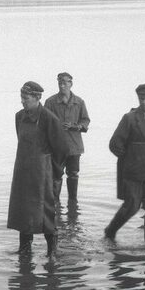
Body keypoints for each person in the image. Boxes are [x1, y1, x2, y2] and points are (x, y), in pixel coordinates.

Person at [8, 81, 68, 258]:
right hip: (22, 171)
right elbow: (21, 139)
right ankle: (25, 249)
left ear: (37, 98)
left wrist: (55, 173)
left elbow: (62, 149)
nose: (22, 101)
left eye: (26, 98)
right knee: (22, 210)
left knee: (46, 211)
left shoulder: (49, 118)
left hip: (42, 173)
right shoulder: (19, 116)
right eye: (21, 97)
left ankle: (52, 251)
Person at [104, 83, 145, 246]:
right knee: (132, 206)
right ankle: (110, 231)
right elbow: (114, 144)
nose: (144, 102)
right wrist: (131, 158)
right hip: (133, 172)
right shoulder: (129, 118)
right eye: (141, 98)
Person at [44, 72, 90, 206]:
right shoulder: (50, 102)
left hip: (74, 146)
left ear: (71, 83)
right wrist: (57, 126)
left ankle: (73, 203)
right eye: (60, 83)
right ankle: (55, 204)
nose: (62, 85)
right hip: (56, 146)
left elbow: (86, 120)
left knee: (73, 174)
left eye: (65, 82)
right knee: (56, 175)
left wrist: (76, 126)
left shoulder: (79, 102)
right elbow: (45, 123)